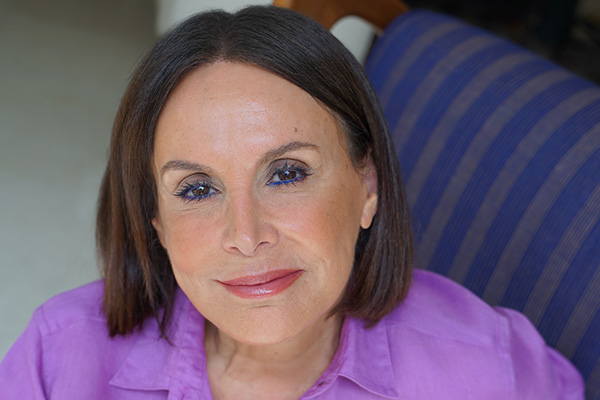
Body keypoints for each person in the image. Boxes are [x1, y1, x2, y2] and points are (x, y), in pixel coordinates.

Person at [0, 5, 584, 399]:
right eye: (197, 189)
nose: (247, 234)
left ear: (368, 187)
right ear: (156, 222)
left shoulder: (486, 368)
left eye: (286, 173)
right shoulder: (59, 359)